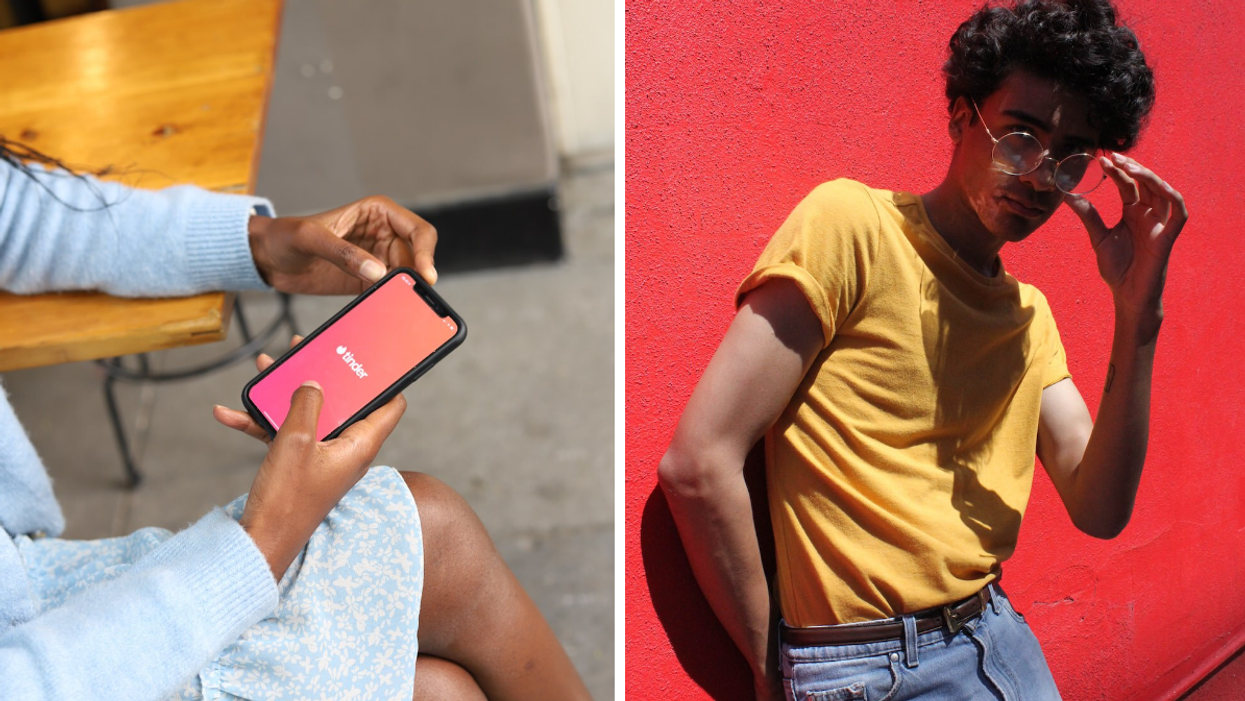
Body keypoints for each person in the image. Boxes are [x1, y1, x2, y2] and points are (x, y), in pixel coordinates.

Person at [657, 0, 1187, 699]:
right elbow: (697, 463)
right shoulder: (852, 226)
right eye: (1019, 136)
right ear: (962, 115)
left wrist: (1136, 313)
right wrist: (771, 669)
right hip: (866, 667)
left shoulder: (1028, 317)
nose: (1036, 176)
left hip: (998, 639)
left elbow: (1099, 507)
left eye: (1067, 159)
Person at [0, 143, 593, 701]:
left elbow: (16, 214)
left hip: (27, 585)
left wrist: (261, 242)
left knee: (439, 675)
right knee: (435, 567)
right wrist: (261, 545)